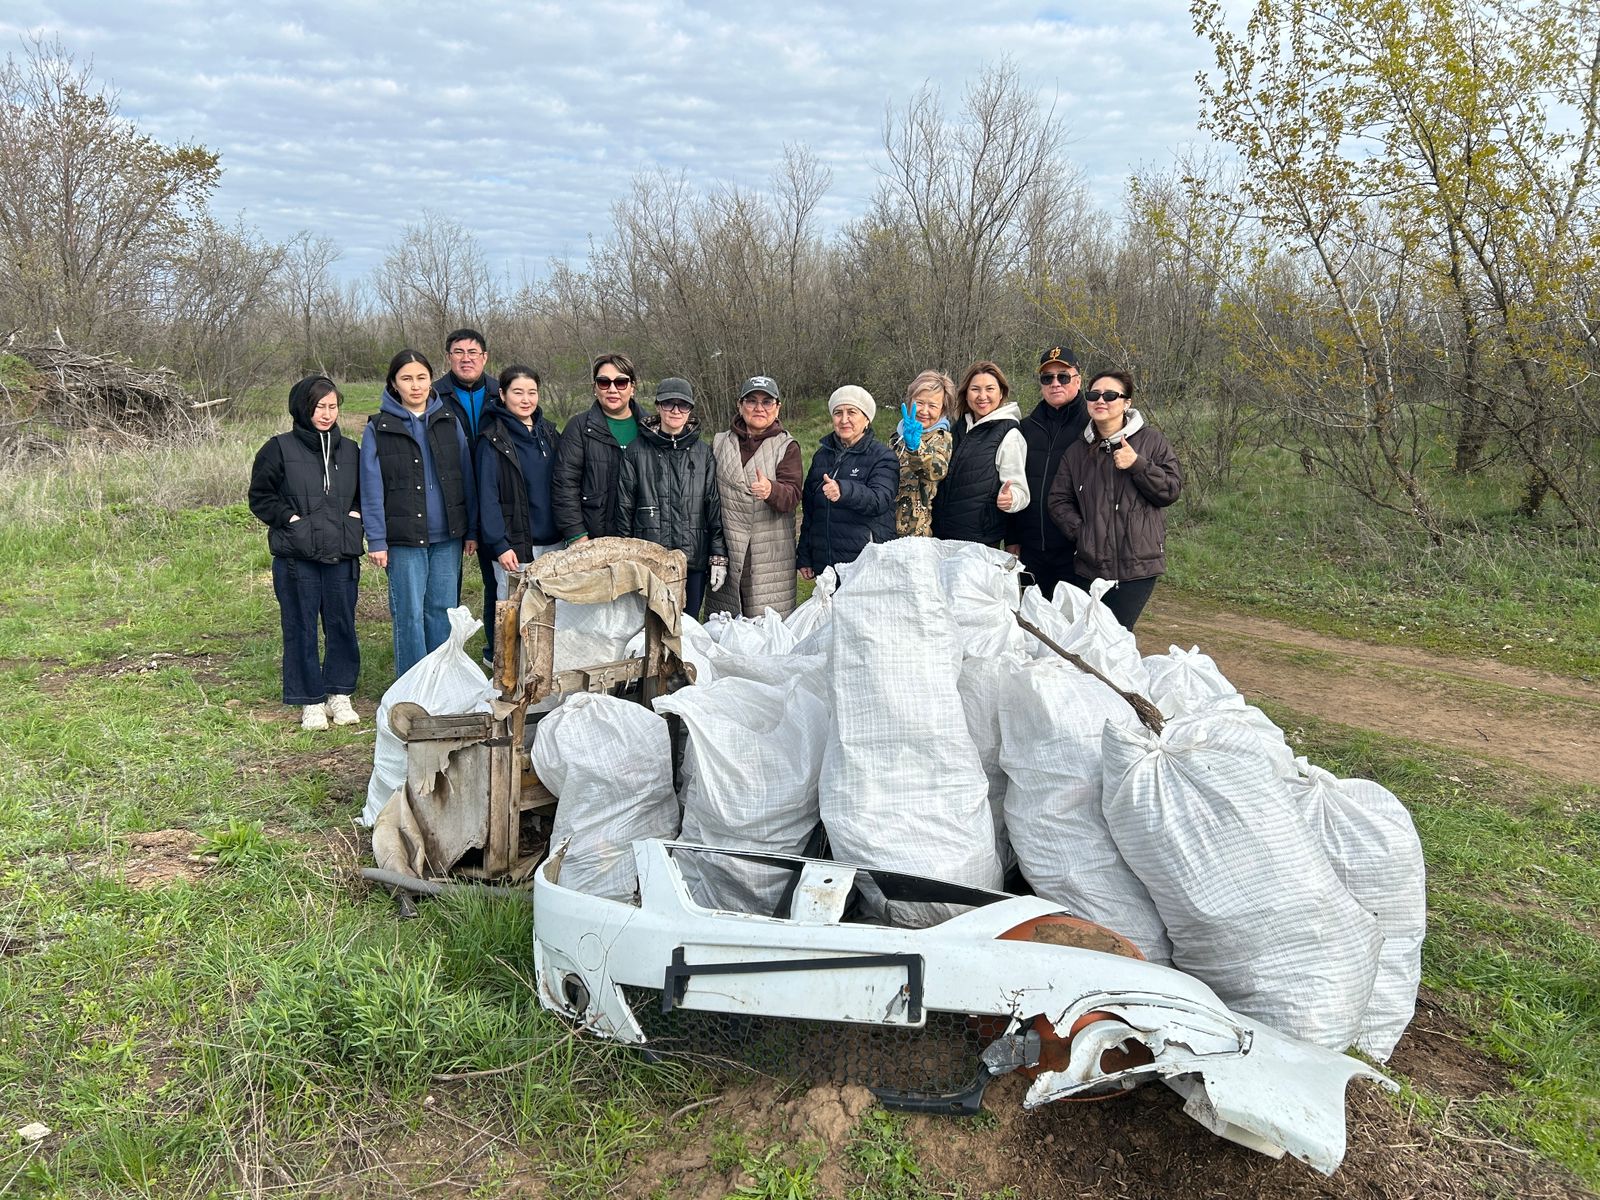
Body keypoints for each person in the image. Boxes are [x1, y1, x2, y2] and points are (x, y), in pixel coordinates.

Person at [248, 376, 364, 731]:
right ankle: (310, 700)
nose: (326, 414)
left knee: (342, 623)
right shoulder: (278, 448)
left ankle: (339, 693)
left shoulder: (351, 450)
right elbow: (261, 496)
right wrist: (292, 520)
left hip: (342, 552)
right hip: (297, 554)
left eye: (332, 406)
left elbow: (366, 492)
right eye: (319, 407)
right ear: (303, 408)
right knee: (300, 626)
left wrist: (355, 517)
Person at [360, 349, 478, 677]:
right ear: (394, 384)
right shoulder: (378, 428)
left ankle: (441, 683)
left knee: (441, 610)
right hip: (404, 538)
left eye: (421, 378)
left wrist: (470, 530)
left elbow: (465, 478)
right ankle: (412, 686)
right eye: (407, 379)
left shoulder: (448, 422)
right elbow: (371, 489)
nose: (415, 386)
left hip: (447, 537)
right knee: (409, 613)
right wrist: (377, 539)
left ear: (430, 380)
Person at [1046, 370, 1182, 629]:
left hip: (1138, 566)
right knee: (1089, 639)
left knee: (1117, 638)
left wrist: (1138, 465)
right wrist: (1083, 532)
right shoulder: (1077, 451)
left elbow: (1171, 490)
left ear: (1126, 403)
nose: (1101, 401)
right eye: (1094, 395)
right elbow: (1058, 500)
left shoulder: (1151, 441)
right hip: (1090, 565)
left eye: (1110, 395)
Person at [615, 378, 728, 618]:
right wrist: (624, 557)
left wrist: (718, 556)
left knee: (687, 628)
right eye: (669, 404)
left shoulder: (703, 453)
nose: (676, 411)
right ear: (658, 407)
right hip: (648, 561)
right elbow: (624, 508)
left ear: (690, 410)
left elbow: (712, 507)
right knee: (649, 631)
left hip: (692, 559)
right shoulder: (636, 451)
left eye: (683, 405)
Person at [706, 375, 803, 618]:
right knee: (725, 631)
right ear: (740, 405)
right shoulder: (719, 443)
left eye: (767, 402)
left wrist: (771, 490)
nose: (759, 408)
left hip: (770, 557)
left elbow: (792, 495)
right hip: (728, 550)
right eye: (751, 401)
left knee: (768, 635)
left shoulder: (787, 446)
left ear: (777, 407)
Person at [433, 328, 502, 664]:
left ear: (484, 357)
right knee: (448, 584)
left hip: (493, 496)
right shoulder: (435, 395)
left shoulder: (499, 392)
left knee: (495, 579)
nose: (466, 358)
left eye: (473, 352)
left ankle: (495, 650)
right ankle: (446, 653)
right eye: (458, 352)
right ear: (449, 357)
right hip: (451, 497)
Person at [476, 365, 562, 632]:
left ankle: (545, 673)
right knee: (515, 614)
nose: (526, 399)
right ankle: (511, 673)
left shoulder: (549, 433)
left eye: (532, 392)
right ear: (502, 394)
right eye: (518, 392)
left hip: (555, 543)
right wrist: (499, 544)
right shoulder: (492, 440)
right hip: (516, 546)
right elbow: (487, 496)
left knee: (551, 615)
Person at [1007, 343, 1089, 598]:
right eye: (1047, 378)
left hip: (1076, 550)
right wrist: (1012, 537)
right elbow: (1012, 482)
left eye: (1063, 377)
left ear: (1078, 379)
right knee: (1030, 624)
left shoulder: (1093, 425)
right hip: (1031, 548)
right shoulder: (1025, 428)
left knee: (1071, 628)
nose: (1055, 383)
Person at [796, 385, 899, 579]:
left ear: (866, 419)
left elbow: (880, 500)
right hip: (825, 565)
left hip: (864, 564)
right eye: (838, 413)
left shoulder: (883, 456)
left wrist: (844, 490)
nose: (844, 420)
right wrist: (805, 556)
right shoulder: (821, 456)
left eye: (852, 412)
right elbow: (810, 510)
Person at [930, 360, 1029, 546]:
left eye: (990, 389)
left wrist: (1011, 499)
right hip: (940, 535)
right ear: (966, 394)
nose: (982, 396)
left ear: (1001, 394)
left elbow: (1019, 490)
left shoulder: (1009, 434)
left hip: (980, 541)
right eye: (975, 389)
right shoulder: (956, 429)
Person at [553, 353, 643, 543]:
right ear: (595, 388)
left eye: (621, 382)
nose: (612, 389)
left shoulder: (650, 429)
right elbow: (564, 484)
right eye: (604, 382)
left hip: (641, 539)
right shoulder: (578, 427)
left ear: (632, 387)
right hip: (593, 540)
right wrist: (577, 535)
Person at [891, 369, 955, 537]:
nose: (924, 411)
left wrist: (916, 447)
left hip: (915, 531)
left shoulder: (941, 438)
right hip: (887, 524)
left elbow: (937, 470)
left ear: (942, 410)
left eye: (932, 406)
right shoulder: (897, 438)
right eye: (919, 403)